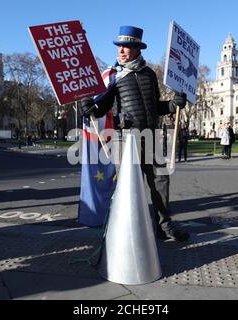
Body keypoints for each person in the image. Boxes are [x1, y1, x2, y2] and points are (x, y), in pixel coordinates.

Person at [79, 26, 189, 242]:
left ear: (137, 48)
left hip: (152, 137)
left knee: (161, 180)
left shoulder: (149, 74)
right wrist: (88, 106)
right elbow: (102, 108)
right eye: (119, 46)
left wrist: (173, 104)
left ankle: (163, 227)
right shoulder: (114, 76)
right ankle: (130, 231)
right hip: (127, 139)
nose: (121, 50)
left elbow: (156, 106)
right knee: (131, 186)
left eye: (126, 46)